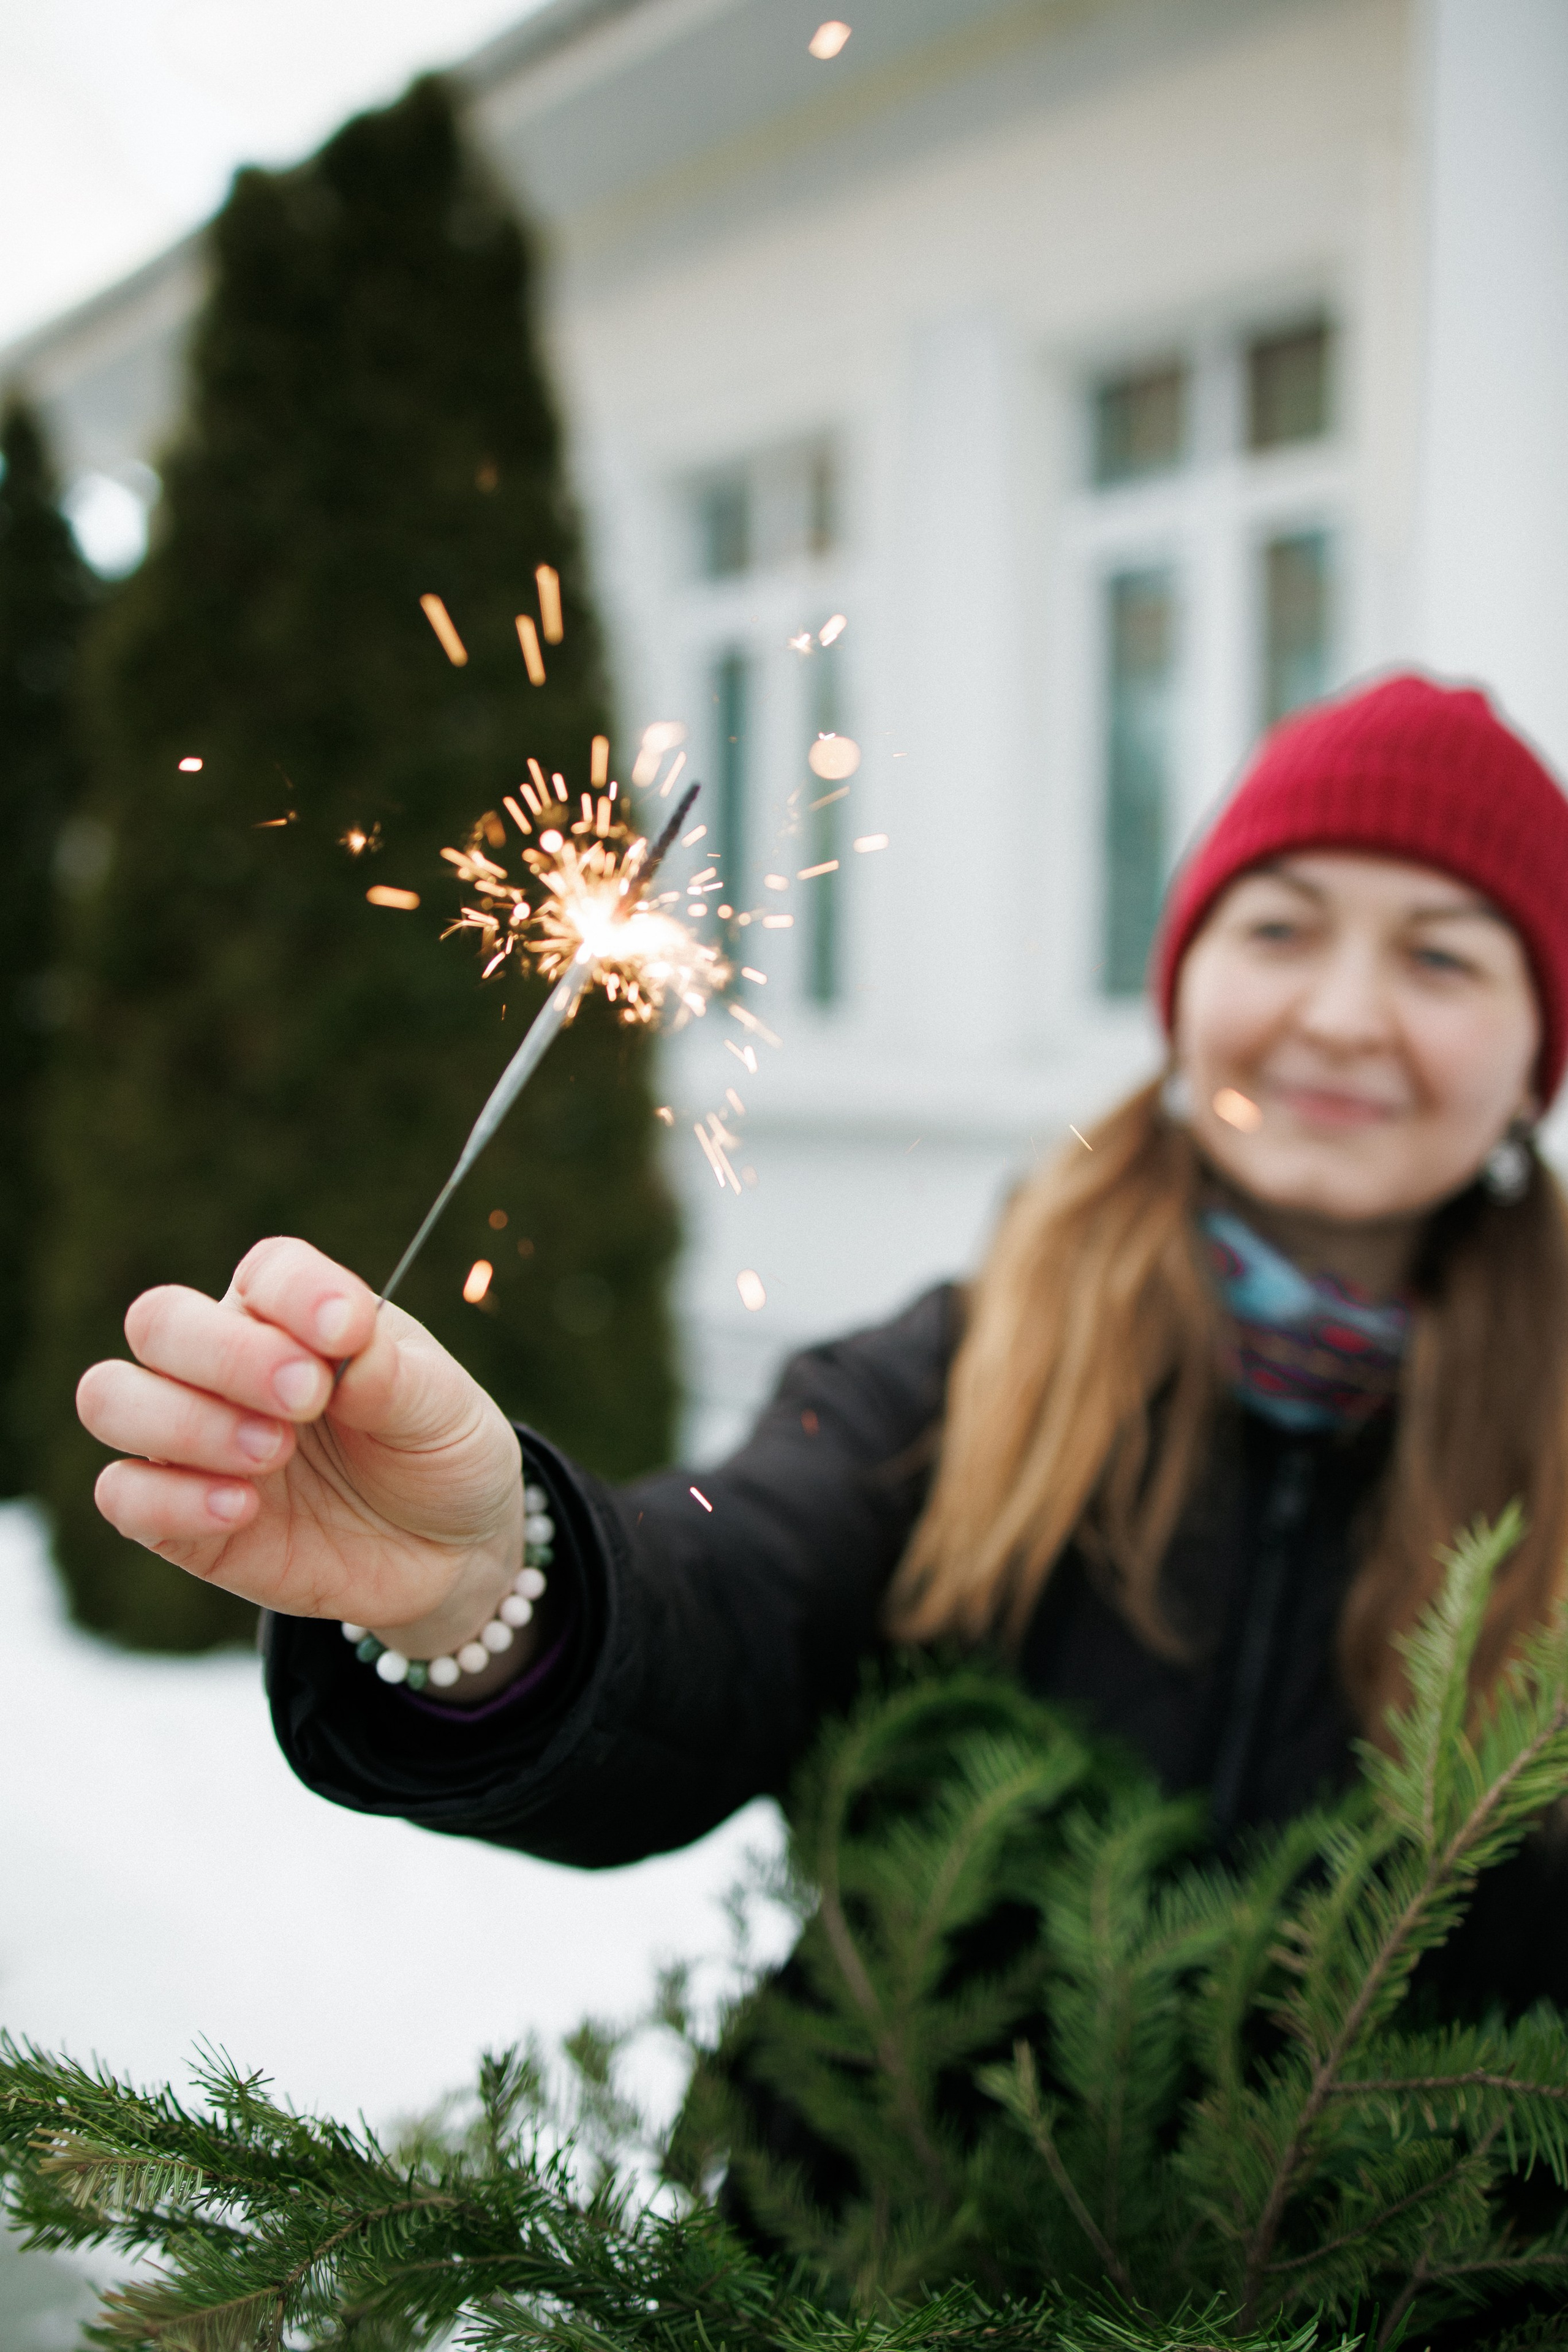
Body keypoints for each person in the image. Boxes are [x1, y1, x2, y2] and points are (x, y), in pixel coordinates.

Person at [75, 671, 1568, 2010]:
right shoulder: (957, 1377)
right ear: (1184, 996)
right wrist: (493, 1587)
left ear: (1530, 1061)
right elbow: (731, 1596)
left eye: (1439, 960)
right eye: (1281, 930)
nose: (1343, 1015)